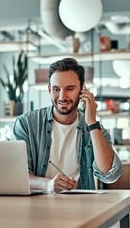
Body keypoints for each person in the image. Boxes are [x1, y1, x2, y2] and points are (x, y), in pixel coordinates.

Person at [13, 58, 123, 193]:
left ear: (82, 90)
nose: (62, 97)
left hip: (82, 207)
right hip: (38, 207)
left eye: (70, 89)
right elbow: (19, 176)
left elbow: (109, 175)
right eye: (56, 89)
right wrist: (48, 185)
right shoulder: (26, 124)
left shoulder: (94, 129)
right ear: (49, 90)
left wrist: (92, 123)